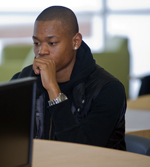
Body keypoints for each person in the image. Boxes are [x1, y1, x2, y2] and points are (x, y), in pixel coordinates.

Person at [11, 6, 126, 150]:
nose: (42, 51)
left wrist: (53, 89)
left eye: (52, 43)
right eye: (36, 43)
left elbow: (82, 153)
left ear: (76, 41)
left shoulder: (108, 89)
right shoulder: (22, 81)